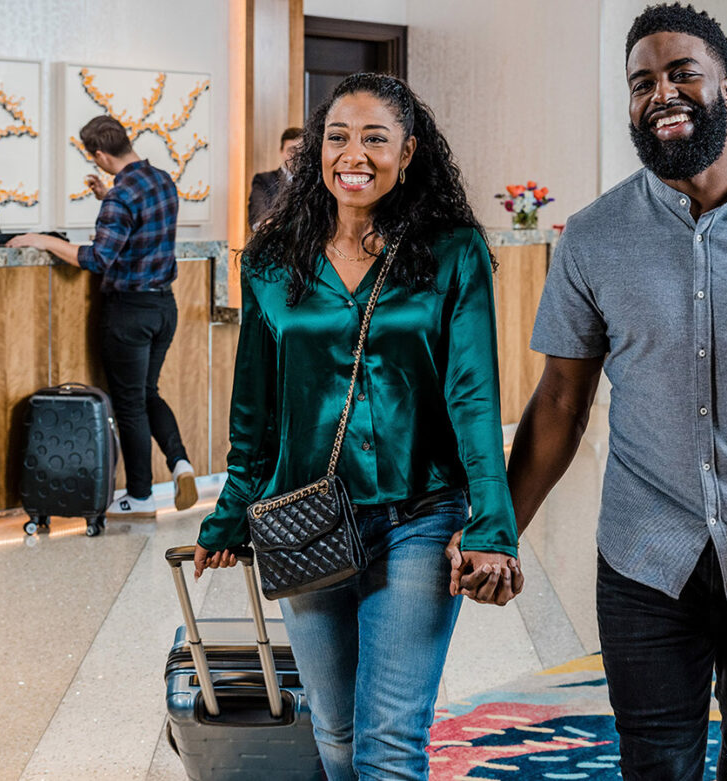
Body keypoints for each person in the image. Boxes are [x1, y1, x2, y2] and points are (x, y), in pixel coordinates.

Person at [451, 4, 727, 780]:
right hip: (643, 556)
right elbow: (560, 399)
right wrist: (500, 528)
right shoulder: (594, 235)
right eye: (641, 82)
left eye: (682, 72)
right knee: (654, 762)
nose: (661, 91)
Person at [193, 73, 522, 780]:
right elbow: (254, 407)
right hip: (303, 516)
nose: (355, 153)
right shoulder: (273, 259)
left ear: (408, 154)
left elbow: (473, 394)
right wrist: (228, 514)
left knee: (390, 743)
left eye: (377, 138)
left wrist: (493, 521)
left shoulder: (452, 250)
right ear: (317, 151)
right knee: (337, 733)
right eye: (338, 137)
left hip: (422, 516)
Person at [7, 116, 198, 519]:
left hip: (128, 313)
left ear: (98, 154)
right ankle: (180, 463)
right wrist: (105, 196)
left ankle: (141, 497)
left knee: (129, 404)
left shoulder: (120, 195)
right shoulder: (161, 179)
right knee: (149, 393)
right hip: (164, 307)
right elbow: (140, 222)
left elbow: (97, 258)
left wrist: (43, 240)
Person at [247, 126, 302, 231]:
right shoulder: (264, 181)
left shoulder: (313, 182)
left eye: (302, 151)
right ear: (281, 151)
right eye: (292, 150)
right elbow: (259, 215)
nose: (297, 156)